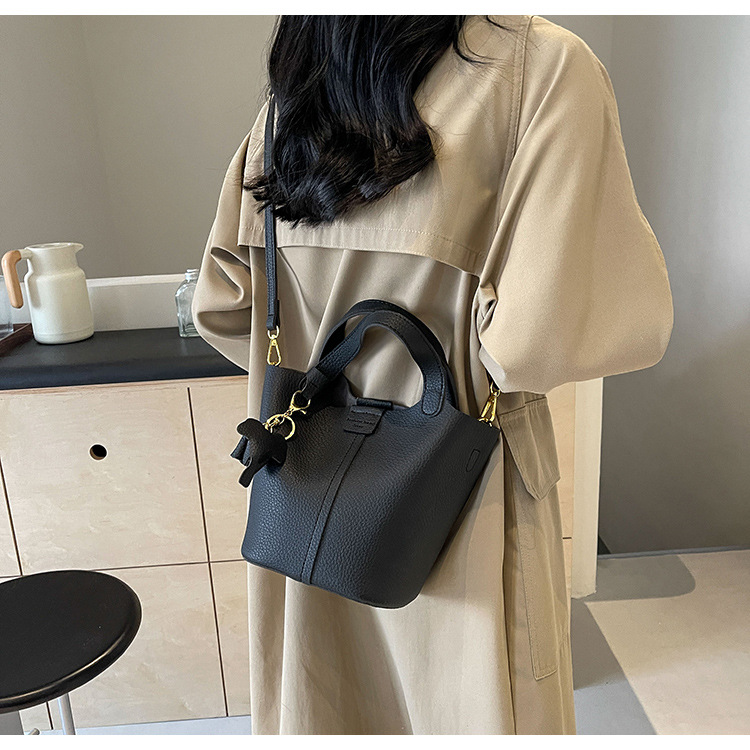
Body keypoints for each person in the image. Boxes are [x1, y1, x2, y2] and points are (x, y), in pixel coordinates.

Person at [192, 15, 673, 735]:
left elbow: (226, 305)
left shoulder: (298, 91)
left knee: (324, 702)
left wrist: (329, 377)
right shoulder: (538, 69)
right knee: (467, 703)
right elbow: (537, 342)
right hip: (461, 489)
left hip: (305, 492)